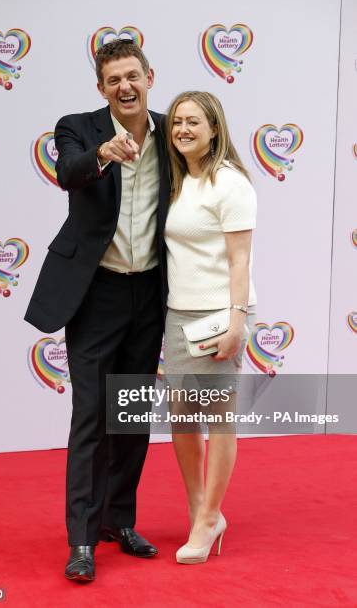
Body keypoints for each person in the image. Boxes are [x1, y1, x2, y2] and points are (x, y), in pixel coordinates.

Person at [25, 39, 170, 583]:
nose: (124, 87)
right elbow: (68, 172)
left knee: (129, 416)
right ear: (101, 87)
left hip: (150, 293)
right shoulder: (78, 127)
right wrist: (105, 153)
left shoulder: (171, 133)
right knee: (91, 417)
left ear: (149, 76)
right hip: (95, 293)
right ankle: (82, 540)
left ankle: (120, 520)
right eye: (113, 80)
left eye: (133, 76)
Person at [163, 91, 257, 564]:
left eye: (193, 121)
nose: (182, 129)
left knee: (219, 421)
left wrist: (237, 321)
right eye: (177, 121)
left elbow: (240, 259)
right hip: (179, 316)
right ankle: (200, 510)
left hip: (220, 315)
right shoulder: (181, 181)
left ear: (214, 128)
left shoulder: (230, 183)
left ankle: (208, 517)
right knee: (182, 421)